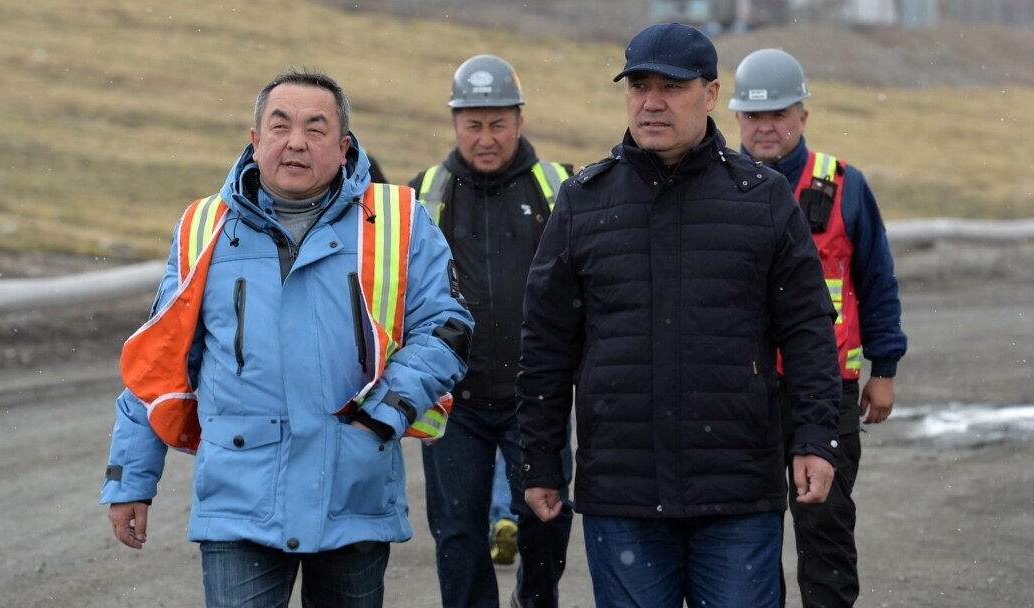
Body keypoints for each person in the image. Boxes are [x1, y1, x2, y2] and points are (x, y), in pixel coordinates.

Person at [100, 67, 473, 608]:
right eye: (281, 126)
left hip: (354, 490)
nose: (296, 142)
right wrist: (130, 480)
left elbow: (447, 327)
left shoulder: (399, 219)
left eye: (316, 129)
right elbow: (161, 357)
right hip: (239, 502)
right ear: (256, 140)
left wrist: (387, 410)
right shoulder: (204, 227)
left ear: (344, 147)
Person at [516, 23, 843, 608]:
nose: (652, 101)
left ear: (712, 94)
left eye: (671, 86)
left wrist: (816, 436)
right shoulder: (583, 201)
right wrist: (540, 458)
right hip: (623, 496)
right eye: (639, 85)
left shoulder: (762, 199)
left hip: (737, 493)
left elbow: (808, 329)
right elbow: (546, 343)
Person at [730, 48, 908, 607]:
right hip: (742, 392)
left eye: (779, 113)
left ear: (802, 115)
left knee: (825, 526)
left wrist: (885, 368)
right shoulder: (714, 187)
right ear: (735, 118)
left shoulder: (844, 186)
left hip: (825, 388)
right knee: (746, 536)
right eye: (754, 116)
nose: (766, 127)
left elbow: (876, 280)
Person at [408, 54, 574, 608]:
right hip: (454, 401)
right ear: (455, 123)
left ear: (520, 122)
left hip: (537, 399)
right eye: (473, 123)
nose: (486, 137)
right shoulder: (423, 197)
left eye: (498, 123)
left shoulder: (559, 190)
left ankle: (536, 601)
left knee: (546, 522)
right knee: (457, 533)